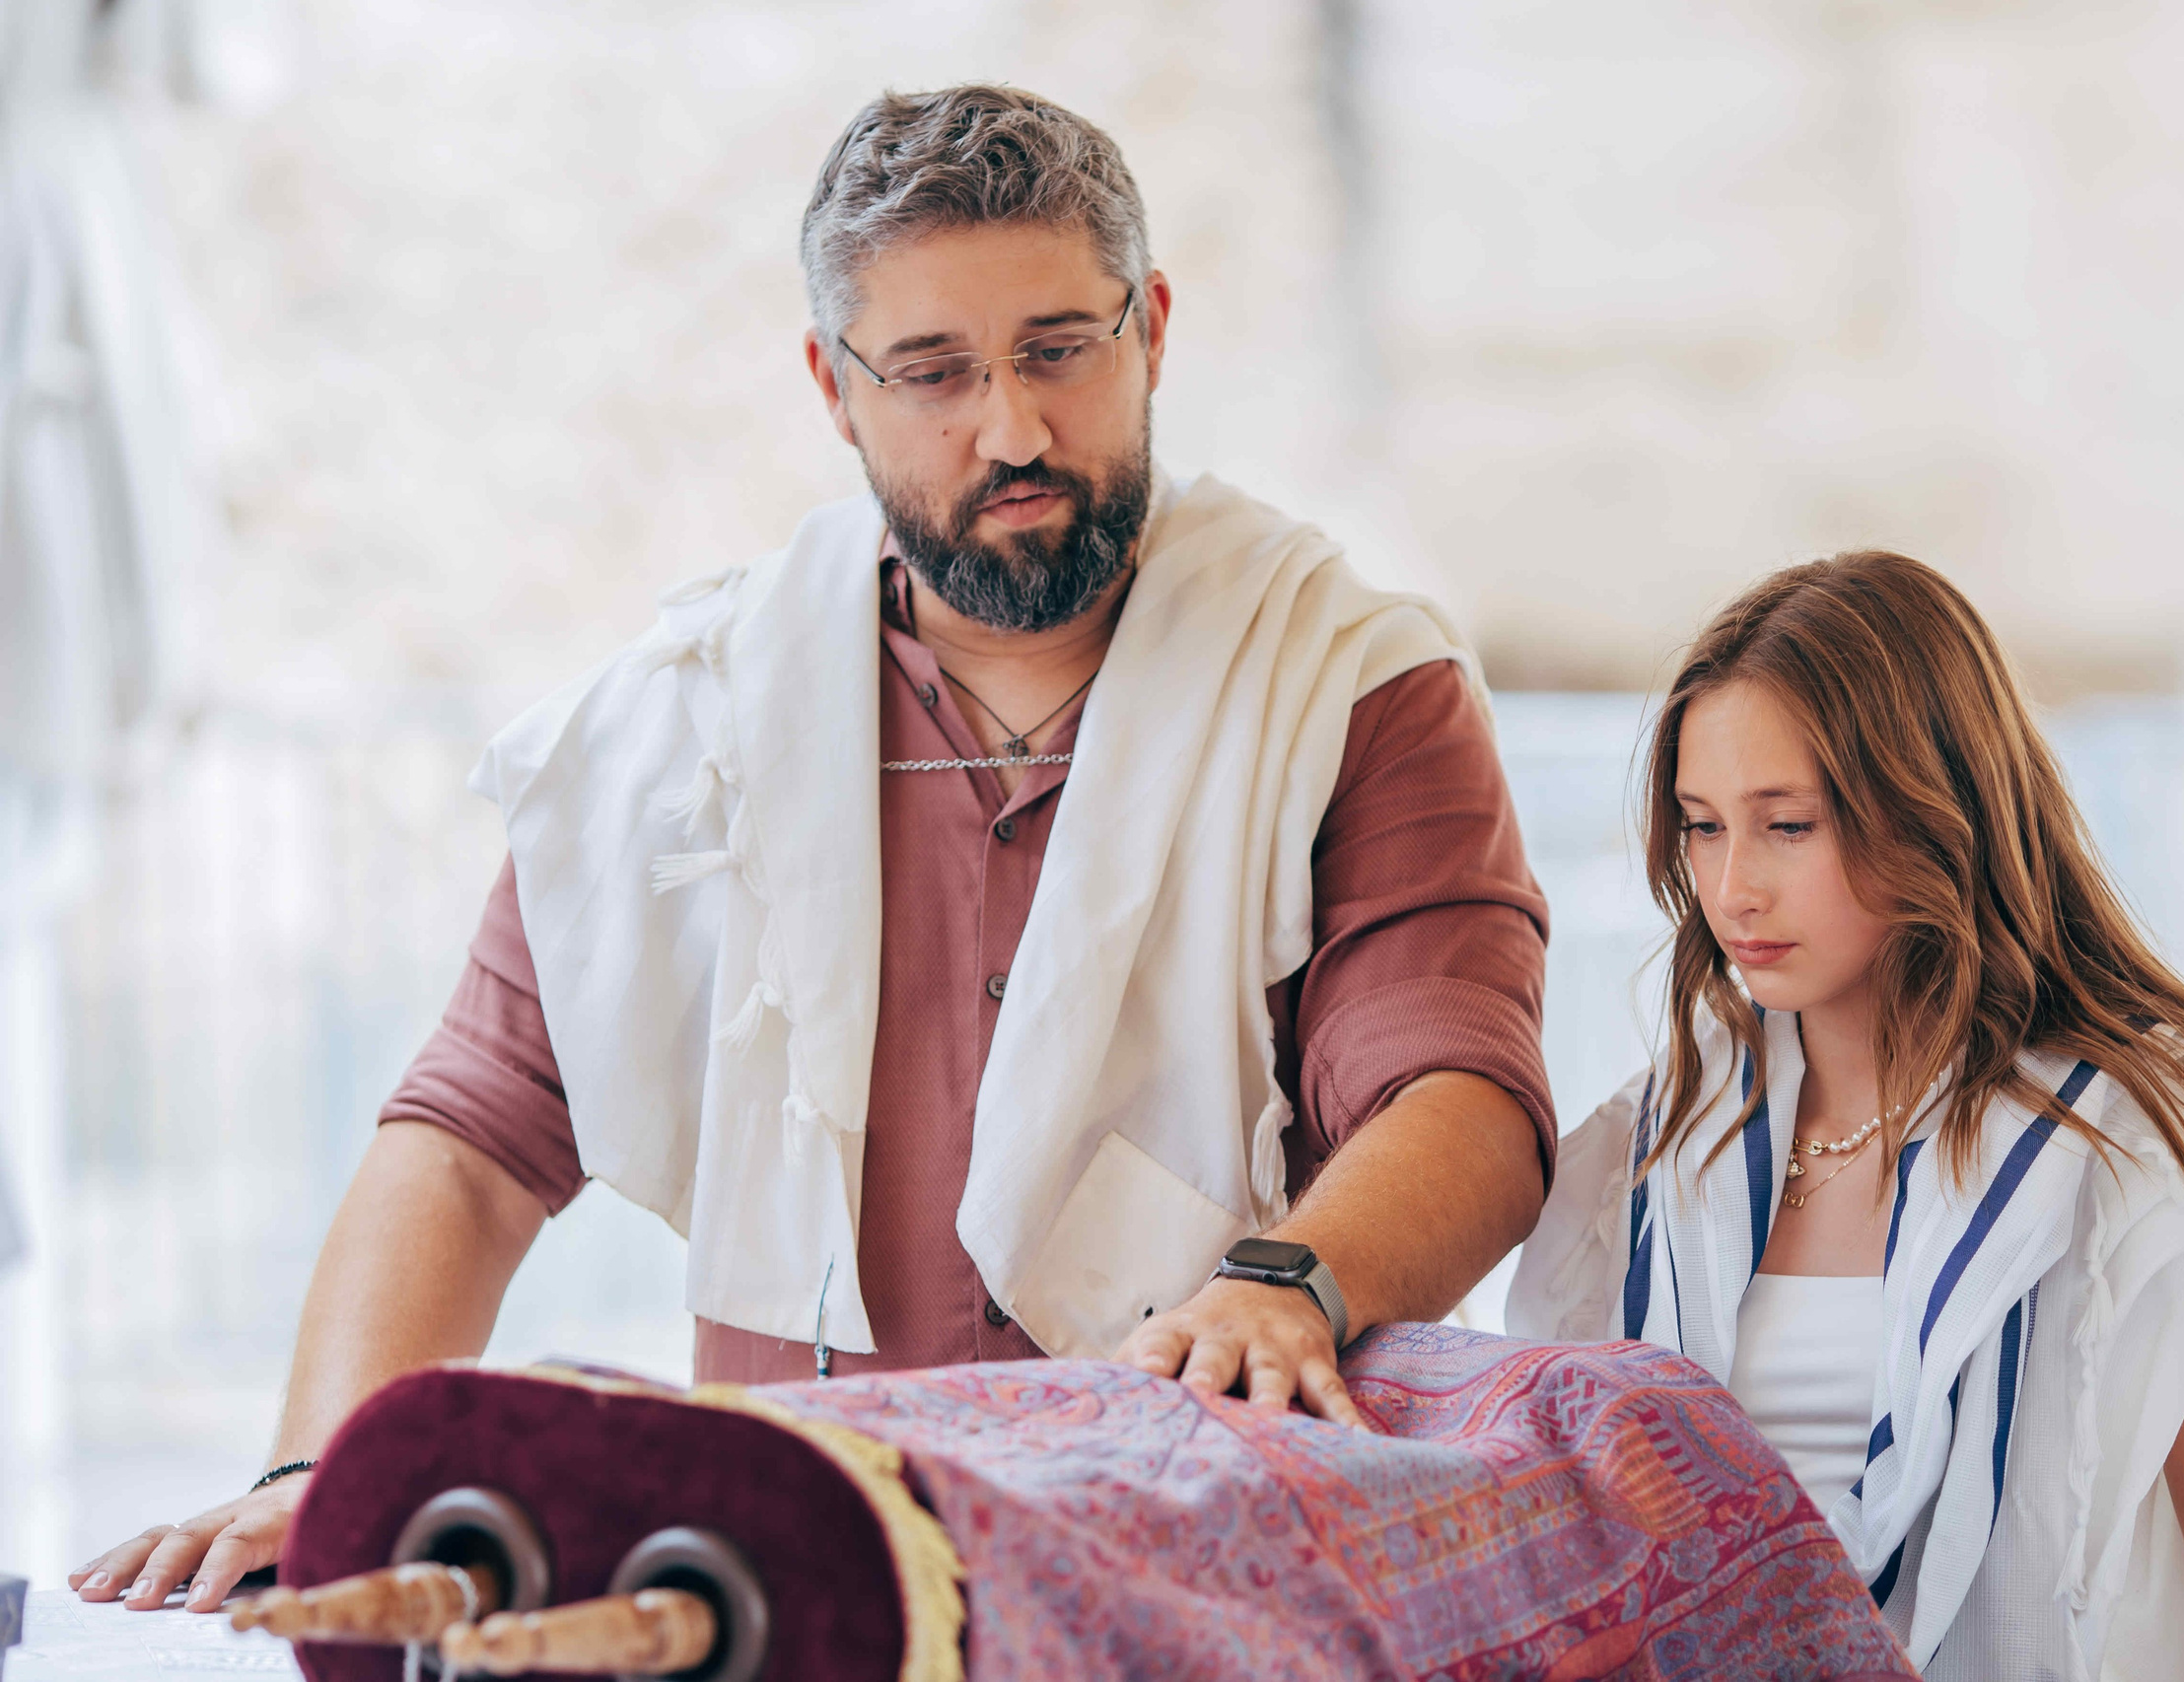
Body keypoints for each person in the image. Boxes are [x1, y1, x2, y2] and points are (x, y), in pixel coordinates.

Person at [79, 85, 1554, 1613]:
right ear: (834, 387)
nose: (1014, 429)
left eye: (1060, 348)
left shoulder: (1347, 684)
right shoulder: (687, 718)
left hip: (1208, 1565)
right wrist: (316, 1474)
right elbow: (467, 1144)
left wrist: (1284, 1280)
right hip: (788, 1578)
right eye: (934, 372)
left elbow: (1460, 1098)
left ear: (1154, 330)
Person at [1509, 553, 2184, 1680]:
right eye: (1702, 826)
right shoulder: (1657, 1143)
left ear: (1924, 810)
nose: (1732, 886)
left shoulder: (2106, 1145)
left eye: (1787, 825)